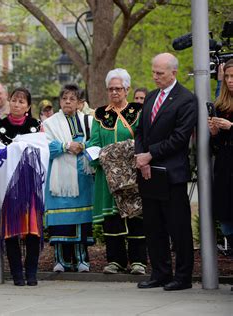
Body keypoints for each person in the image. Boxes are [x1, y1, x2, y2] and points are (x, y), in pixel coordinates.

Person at [135, 53, 197, 291]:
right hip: (149, 172)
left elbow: (180, 138)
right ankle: (160, 273)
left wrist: (151, 155)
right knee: (153, 226)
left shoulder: (186, 99)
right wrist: (143, 160)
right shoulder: (151, 97)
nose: (155, 77)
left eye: (160, 73)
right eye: (153, 72)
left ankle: (182, 277)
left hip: (172, 174)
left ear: (174, 73)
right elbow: (140, 132)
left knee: (178, 227)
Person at [87, 68, 147, 276]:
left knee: (135, 216)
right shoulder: (100, 114)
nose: (114, 92)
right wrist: (93, 157)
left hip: (132, 174)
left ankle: (139, 261)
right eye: (111, 89)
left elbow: (143, 139)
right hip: (107, 177)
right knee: (112, 218)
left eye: (118, 89)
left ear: (127, 89)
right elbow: (94, 142)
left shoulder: (138, 111)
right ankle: (115, 261)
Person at [0, 87, 49, 286]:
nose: (17, 104)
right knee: (12, 232)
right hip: (9, 188)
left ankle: (31, 272)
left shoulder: (37, 126)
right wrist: (18, 149)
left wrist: (17, 148)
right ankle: (17, 273)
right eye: (14, 100)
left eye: (22, 102)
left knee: (33, 231)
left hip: (31, 187)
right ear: (9, 102)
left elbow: (43, 151)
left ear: (28, 106)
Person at [43, 84, 94, 273]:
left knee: (80, 221)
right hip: (59, 182)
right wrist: (65, 146)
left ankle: (81, 260)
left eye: (72, 99)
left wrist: (83, 146)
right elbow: (45, 147)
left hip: (82, 178)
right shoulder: (50, 124)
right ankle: (61, 260)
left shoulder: (88, 122)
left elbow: (95, 141)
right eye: (64, 98)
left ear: (80, 103)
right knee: (61, 222)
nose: (67, 102)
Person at [208, 59, 233, 257]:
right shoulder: (221, 104)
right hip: (225, 168)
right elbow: (215, 147)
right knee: (226, 225)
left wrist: (231, 127)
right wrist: (215, 133)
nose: (230, 81)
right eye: (227, 77)